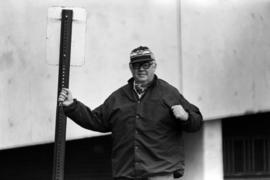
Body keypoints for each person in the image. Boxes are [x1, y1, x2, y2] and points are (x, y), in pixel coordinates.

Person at [59, 46, 203, 180]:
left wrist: (185, 117)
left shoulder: (169, 93)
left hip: (160, 173)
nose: (141, 69)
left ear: (154, 66)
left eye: (146, 65)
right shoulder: (118, 97)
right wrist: (72, 106)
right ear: (130, 68)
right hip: (127, 174)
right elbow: (96, 120)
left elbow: (197, 122)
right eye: (136, 65)